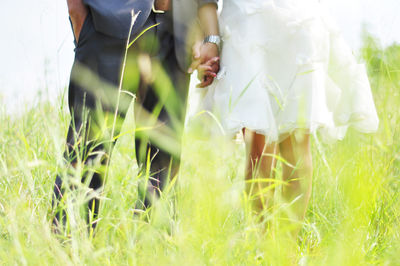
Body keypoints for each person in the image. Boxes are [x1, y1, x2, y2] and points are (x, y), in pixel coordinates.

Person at [192, 0, 379, 237]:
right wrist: (211, 39)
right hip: (247, 23)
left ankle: (287, 247)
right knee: (258, 146)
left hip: (296, 19)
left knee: (295, 143)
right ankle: (264, 246)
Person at [52, 0, 220, 231]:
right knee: (90, 146)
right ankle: (69, 243)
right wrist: (80, 22)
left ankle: (152, 246)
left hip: (175, 30)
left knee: (164, 154)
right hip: (107, 27)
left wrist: (208, 34)